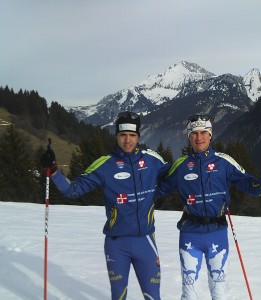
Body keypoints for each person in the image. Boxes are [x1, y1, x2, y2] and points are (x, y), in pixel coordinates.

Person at [40, 111, 170, 300]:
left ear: (138, 136)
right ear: (116, 135)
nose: (127, 140)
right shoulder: (105, 164)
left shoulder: (153, 160)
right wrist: (53, 171)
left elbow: (175, 178)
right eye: (123, 135)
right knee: (118, 296)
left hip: (146, 242)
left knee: (153, 296)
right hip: (117, 244)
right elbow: (73, 190)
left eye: (132, 135)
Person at [157, 114, 261, 300]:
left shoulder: (224, 162)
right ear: (189, 136)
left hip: (217, 234)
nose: (199, 138)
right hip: (189, 234)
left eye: (203, 133)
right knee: (189, 292)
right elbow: (158, 190)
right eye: (194, 133)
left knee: (219, 291)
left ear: (210, 135)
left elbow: (252, 187)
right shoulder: (181, 165)